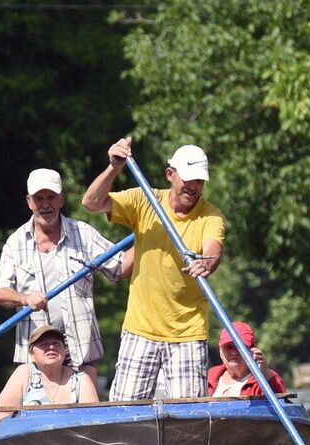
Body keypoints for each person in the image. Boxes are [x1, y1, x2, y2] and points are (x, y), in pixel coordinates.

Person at [81, 136, 225, 400]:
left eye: (199, 181)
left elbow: (213, 248)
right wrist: (114, 167)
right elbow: (91, 202)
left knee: (189, 415)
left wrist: (207, 262)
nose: (193, 187)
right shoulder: (145, 200)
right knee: (124, 412)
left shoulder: (210, 215)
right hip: (141, 328)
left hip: (187, 332)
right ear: (170, 174)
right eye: (188, 179)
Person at [0, 167, 129, 377]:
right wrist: (25, 298)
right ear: (29, 202)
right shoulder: (15, 242)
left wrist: (148, 234)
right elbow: (0, 293)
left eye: (51, 197)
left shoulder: (83, 234)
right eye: (39, 198)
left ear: (61, 200)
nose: (45, 205)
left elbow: (121, 267)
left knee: (86, 409)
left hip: (80, 353)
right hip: (35, 355)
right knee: (34, 409)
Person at [0, 323, 99, 428]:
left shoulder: (81, 379)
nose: (51, 347)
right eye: (44, 344)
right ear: (32, 354)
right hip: (30, 441)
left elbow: (95, 420)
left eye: (56, 343)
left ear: (64, 352)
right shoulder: (24, 373)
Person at [209, 321, 288, 398]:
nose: (234, 352)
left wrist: (266, 375)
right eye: (228, 347)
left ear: (252, 350)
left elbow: (281, 404)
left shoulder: (265, 379)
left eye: (239, 346)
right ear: (220, 351)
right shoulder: (209, 376)